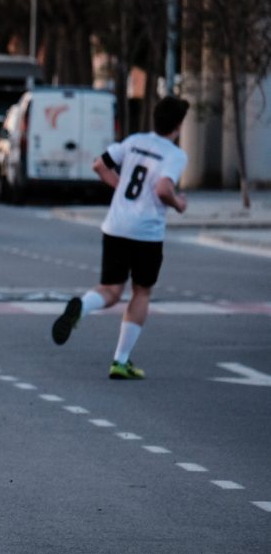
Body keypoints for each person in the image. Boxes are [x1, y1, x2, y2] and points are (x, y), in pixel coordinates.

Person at [52, 96, 190, 380]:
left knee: (110, 289)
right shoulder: (175, 154)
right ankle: (120, 360)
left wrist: (121, 187)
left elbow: (99, 165)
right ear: (178, 125)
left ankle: (82, 307)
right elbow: (164, 188)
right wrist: (178, 204)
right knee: (141, 291)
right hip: (146, 232)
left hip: (115, 226)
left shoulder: (134, 141)